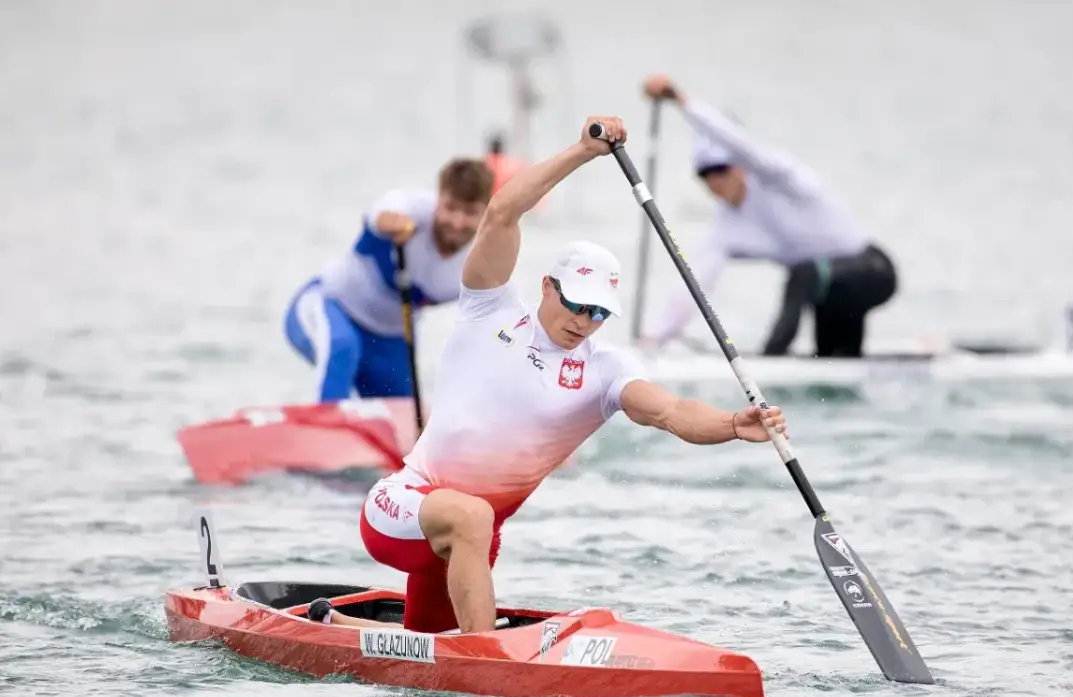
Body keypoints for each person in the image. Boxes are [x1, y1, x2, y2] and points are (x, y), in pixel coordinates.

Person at [303, 114, 789, 635]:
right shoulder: (488, 309)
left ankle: (398, 648)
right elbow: (502, 213)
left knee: (432, 644)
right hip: (400, 508)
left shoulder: (606, 370)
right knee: (471, 518)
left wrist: (732, 425)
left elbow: (671, 412)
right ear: (547, 287)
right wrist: (582, 152)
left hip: (468, 541)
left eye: (598, 312)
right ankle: (485, 663)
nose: (583, 321)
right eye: (577, 304)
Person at [639, 74, 898, 358]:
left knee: (804, 273)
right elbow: (694, 283)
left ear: (740, 166)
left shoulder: (777, 176)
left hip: (873, 271)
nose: (713, 180)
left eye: (720, 169)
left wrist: (680, 100)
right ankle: (840, 365)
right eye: (705, 174)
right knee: (834, 355)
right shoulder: (727, 230)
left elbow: (739, 143)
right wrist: (654, 339)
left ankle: (772, 355)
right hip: (832, 293)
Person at [283, 158, 493, 401]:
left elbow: (490, 329)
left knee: (404, 412)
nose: (457, 222)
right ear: (438, 200)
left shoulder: (482, 263)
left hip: (390, 341)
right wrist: (392, 223)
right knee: (342, 349)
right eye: (451, 208)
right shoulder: (415, 209)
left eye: (469, 213)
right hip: (328, 307)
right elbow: (382, 213)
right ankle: (322, 427)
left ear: (486, 212)